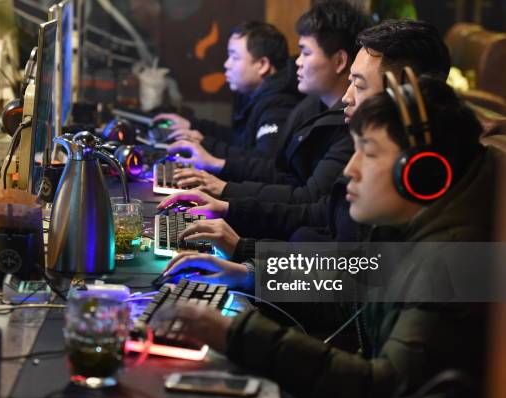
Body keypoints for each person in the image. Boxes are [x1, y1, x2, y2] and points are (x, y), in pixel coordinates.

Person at [153, 76, 498, 398]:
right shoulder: (417, 226)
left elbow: (382, 390)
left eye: (370, 153)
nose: (350, 169)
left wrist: (237, 333)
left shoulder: (451, 265)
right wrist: (247, 273)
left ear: (422, 174)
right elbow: (349, 279)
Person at [156, 19, 453, 252]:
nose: (348, 98)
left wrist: (245, 257)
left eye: (360, 85)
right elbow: (322, 216)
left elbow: (345, 292)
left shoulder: (425, 196)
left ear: (403, 92)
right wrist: (236, 227)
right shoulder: (318, 111)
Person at [166, 0, 370, 202]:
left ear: (340, 61)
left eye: (306, 53)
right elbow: (280, 171)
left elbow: (306, 197)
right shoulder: (310, 106)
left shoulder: (345, 124)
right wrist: (204, 142)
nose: (297, 61)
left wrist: (225, 187)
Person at [154, 21, 300, 159]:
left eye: (234, 57)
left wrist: (205, 145)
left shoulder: (279, 104)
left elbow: (264, 163)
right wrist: (192, 126)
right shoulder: (255, 94)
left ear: (262, 65)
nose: (226, 64)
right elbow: (241, 142)